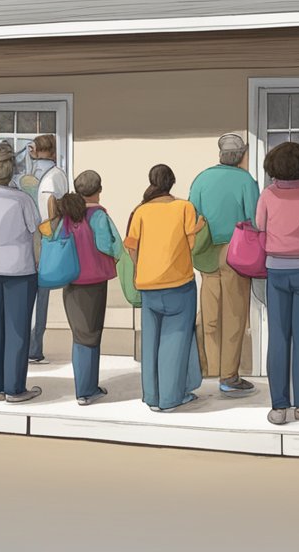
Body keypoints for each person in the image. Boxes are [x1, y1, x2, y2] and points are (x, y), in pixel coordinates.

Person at [255, 142, 299, 425]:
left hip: (277, 270)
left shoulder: (268, 195)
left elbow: (260, 226)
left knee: (279, 336)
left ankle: (279, 406)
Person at [125, 165, 206, 412]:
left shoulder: (140, 212)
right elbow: (193, 244)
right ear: (172, 182)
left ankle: (152, 396)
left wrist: (142, 269)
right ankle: (171, 398)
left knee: (150, 342)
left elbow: (131, 246)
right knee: (176, 338)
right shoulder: (185, 208)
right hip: (178, 283)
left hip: (148, 285)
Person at [188, 132, 260, 399]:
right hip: (236, 253)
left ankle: (210, 368)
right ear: (241, 155)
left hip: (205, 253)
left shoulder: (201, 179)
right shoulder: (245, 180)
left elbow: (192, 217)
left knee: (209, 314)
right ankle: (229, 376)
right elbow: (255, 219)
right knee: (234, 314)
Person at [0, 142, 43, 403]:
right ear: (12, 170)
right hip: (20, 269)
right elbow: (34, 230)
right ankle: (14, 387)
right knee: (17, 328)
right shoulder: (23, 200)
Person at [45, 174, 121, 404]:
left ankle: (85, 386)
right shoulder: (98, 215)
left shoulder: (66, 216)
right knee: (92, 334)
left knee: (80, 335)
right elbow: (110, 245)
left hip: (71, 281)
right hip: (95, 282)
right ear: (99, 189)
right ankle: (87, 390)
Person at [24, 134, 67, 365]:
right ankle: (34, 348)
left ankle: (24, 346)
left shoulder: (24, 176)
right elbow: (57, 212)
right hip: (46, 237)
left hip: (22, 239)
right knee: (40, 297)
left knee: (22, 296)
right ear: (53, 151)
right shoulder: (58, 175)